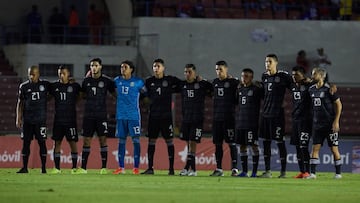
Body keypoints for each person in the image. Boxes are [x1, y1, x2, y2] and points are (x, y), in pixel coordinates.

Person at [74, 58, 116, 174]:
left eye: (96, 65)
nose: (93, 67)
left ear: (100, 67)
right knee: (86, 141)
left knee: (103, 140)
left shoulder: (107, 81)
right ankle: (83, 168)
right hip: (88, 115)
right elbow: (82, 96)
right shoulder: (86, 81)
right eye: (92, 65)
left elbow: (115, 94)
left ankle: (103, 168)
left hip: (101, 115)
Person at [141, 58, 181, 175]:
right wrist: (145, 100)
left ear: (163, 68)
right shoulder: (148, 81)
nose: (156, 68)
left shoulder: (170, 80)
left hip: (166, 116)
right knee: (151, 141)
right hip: (153, 116)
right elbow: (142, 93)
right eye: (154, 66)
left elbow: (183, 85)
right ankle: (150, 168)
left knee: (169, 141)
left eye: (158, 66)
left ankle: (171, 169)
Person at [259, 54, 292, 178]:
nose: (267, 63)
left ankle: (283, 172)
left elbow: (294, 88)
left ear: (276, 63)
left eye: (270, 61)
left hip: (277, 115)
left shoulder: (283, 76)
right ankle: (267, 171)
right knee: (266, 143)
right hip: (265, 115)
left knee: (280, 142)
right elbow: (264, 94)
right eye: (266, 61)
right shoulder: (264, 76)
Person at [307, 67, 343, 179]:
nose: (312, 76)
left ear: (321, 76)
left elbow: (339, 105)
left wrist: (336, 121)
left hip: (329, 125)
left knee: (334, 149)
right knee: (315, 148)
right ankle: (313, 174)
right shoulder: (311, 89)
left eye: (314, 74)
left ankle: (338, 174)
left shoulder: (329, 89)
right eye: (312, 74)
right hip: (317, 125)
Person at [178, 64, 212, 176]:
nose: (187, 74)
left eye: (189, 72)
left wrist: (203, 80)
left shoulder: (201, 84)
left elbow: (212, 87)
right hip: (186, 119)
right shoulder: (182, 85)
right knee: (188, 143)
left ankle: (193, 169)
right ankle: (188, 168)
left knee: (192, 143)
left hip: (197, 119)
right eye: (186, 72)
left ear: (195, 73)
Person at [112, 60, 145, 175]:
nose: (122, 69)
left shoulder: (138, 82)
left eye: (125, 67)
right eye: (121, 67)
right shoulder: (117, 81)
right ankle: (121, 167)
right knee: (121, 141)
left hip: (133, 116)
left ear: (131, 69)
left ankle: (136, 167)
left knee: (135, 140)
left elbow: (145, 94)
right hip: (121, 116)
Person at [16, 65, 50, 173]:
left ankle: (43, 168)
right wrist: (18, 117)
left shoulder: (45, 84)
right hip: (28, 120)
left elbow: (56, 90)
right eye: (30, 74)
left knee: (42, 143)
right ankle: (25, 167)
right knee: (26, 143)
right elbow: (20, 102)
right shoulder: (24, 86)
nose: (31, 76)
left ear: (38, 74)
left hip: (40, 120)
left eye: (33, 74)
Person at [49, 66, 81, 174]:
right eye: (59, 73)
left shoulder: (75, 86)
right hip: (58, 120)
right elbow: (48, 97)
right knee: (57, 143)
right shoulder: (54, 86)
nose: (61, 75)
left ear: (68, 74)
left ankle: (74, 168)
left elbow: (81, 95)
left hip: (70, 120)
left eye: (63, 73)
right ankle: (57, 168)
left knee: (72, 143)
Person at [210, 60, 239, 177]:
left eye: (220, 69)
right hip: (217, 118)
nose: (218, 71)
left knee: (232, 143)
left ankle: (235, 168)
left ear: (226, 69)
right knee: (218, 144)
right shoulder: (215, 82)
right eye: (217, 69)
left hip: (229, 118)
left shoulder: (233, 82)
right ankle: (219, 168)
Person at [236, 68, 263, 178]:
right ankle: (245, 171)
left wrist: (260, 85)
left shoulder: (256, 89)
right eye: (243, 76)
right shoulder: (240, 89)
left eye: (246, 76)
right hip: (241, 123)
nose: (244, 78)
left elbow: (265, 93)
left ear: (251, 78)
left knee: (254, 145)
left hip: (252, 123)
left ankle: (254, 172)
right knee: (242, 146)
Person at [290, 66, 312, 179]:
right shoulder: (292, 85)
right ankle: (302, 172)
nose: (294, 77)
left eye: (297, 75)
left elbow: (321, 82)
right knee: (298, 147)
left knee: (304, 146)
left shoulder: (309, 85)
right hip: (295, 121)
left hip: (306, 121)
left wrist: (331, 85)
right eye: (293, 75)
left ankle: (308, 171)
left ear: (303, 75)